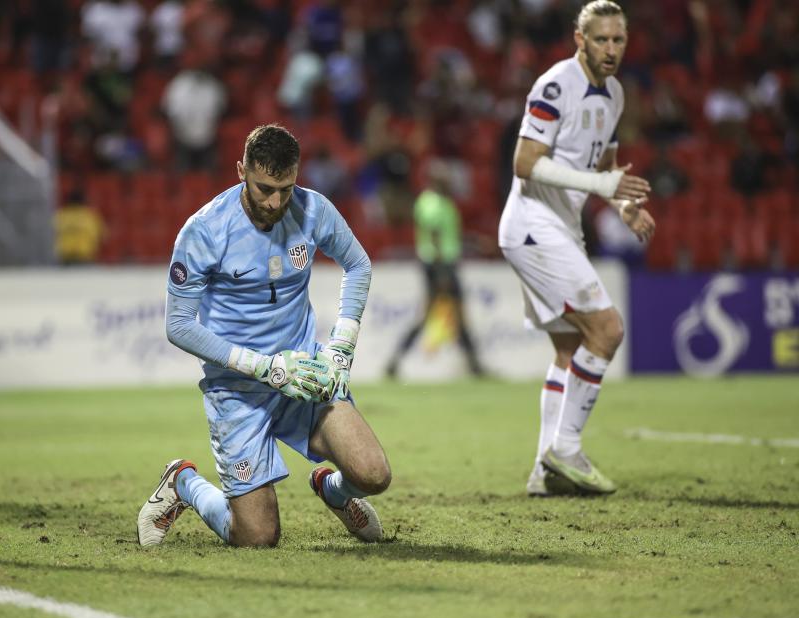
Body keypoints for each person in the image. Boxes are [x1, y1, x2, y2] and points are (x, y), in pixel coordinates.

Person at [138, 124, 391, 548]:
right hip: (238, 388)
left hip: (305, 374)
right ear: (241, 171)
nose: (275, 202)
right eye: (264, 188)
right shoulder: (204, 231)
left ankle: (333, 491)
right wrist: (264, 367)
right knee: (256, 537)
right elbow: (178, 325)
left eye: (286, 189)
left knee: (373, 474)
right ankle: (183, 482)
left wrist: (341, 349)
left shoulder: (313, 210)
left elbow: (359, 265)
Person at [497, 1, 654, 497]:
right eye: (602, 39)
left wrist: (623, 207)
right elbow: (525, 162)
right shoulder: (555, 83)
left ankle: (544, 474)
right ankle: (565, 450)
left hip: (560, 227)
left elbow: (605, 169)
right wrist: (601, 186)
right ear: (579, 39)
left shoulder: (616, 95)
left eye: (619, 40)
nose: (611, 49)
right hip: (532, 224)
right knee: (607, 329)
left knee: (570, 348)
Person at [385, 162, 482, 378]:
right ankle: (394, 361)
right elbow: (436, 237)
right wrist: (442, 274)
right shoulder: (432, 204)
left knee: (451, 316)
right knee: (440, 316)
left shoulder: (437, 202)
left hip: (442, 264)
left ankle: (475, 366)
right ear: (435, 180)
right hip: (439, 266)